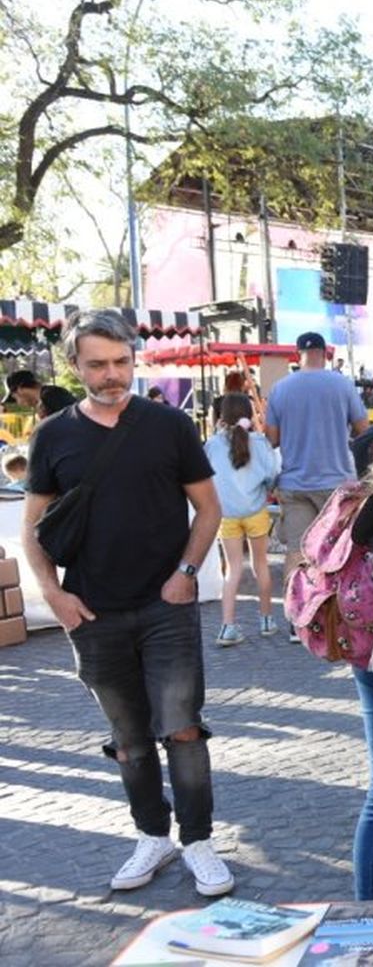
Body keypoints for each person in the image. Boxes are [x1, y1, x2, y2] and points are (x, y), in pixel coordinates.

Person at [21, 309, 231, 895]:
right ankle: (151, 836)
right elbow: (33, 530)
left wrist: (186, 573)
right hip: (91, 614)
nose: (114, 375)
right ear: (75, 365)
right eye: (99, 365)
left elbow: (209, 508)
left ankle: (199, 841)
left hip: (167, 606)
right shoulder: (54, 435)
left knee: (182, 728)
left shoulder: (169, 426)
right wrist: (53, 595)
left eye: (122, 362)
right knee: (131, 739)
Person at [264, 331, 370, 582]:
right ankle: (333, 614)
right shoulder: (342, 384)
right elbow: (363, 429)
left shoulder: (280, 389)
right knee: (336, 551)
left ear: (297, 355)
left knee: (297, 553)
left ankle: (296, 613)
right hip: (337, 485)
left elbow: (272, 439)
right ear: (325, 354)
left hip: (294, 484)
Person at [204, 393, 281, 646]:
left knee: (233, 569)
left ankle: (227, 626)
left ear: (221, 416)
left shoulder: (213, 445)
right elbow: (272, 476)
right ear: (250, 413)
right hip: (256, 509)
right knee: (261, 565)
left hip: (226, 514)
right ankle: (267, 619)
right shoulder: (259, 442)